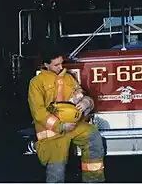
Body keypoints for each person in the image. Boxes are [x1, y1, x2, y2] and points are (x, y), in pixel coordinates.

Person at [28, 46, 105, 183]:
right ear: (46, 65)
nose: (60, 67)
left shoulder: (69, 78)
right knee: (56, 170)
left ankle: (94, 181)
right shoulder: (36, 83)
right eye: (56, 64)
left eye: (61, 63)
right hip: (52, 132)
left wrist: (86, 103)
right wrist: (61, 126)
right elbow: (38, 112)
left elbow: (82, 95)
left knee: (93, 137)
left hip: (74, 126)